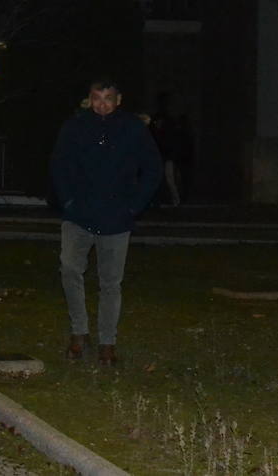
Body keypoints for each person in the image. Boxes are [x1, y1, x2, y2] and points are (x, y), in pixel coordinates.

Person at [48, 78, 162, 367]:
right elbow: (59, 164)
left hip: (116, 217)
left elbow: (152, 169)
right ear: (89, 98)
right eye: (97, 98)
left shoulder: (133, 129)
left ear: (118, 100)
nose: (102, 104)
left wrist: (133, 206)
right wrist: (69, 201)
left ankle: (107, 343)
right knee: (70, 270)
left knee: (111, 282)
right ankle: (79, 333)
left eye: (108, 98)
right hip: (79, 215)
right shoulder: (75, 126)